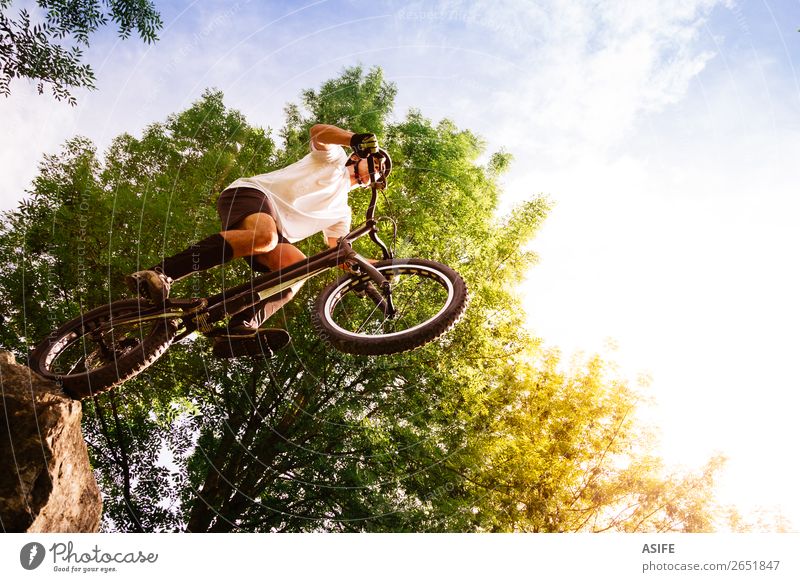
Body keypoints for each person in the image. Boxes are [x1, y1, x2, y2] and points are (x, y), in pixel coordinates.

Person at [126, 124, 390, 358]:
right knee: (264, 237)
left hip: (276, 234)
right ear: (359, 156)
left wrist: (378, 267)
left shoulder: (342, 212)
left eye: (381, 175)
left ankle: (239, 328)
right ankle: (160, 273)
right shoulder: (334, 158)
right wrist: (353, 137)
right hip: (253, 195)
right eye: (377, 165)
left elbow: (339, 250)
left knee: (300, 271)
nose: (377, 174)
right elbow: (318, 132)